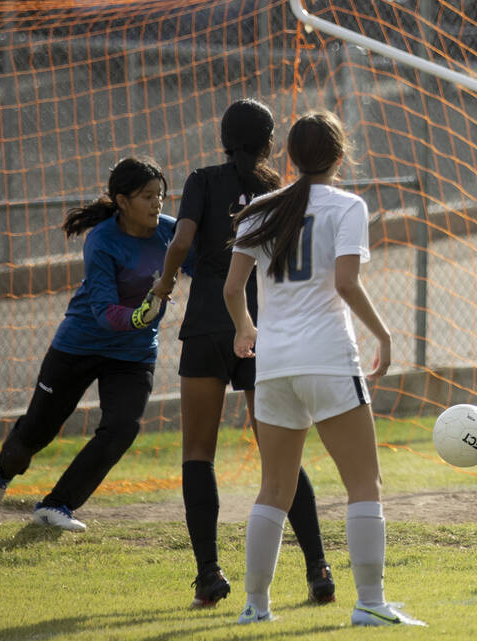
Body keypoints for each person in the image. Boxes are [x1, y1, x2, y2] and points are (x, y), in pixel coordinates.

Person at [224, 111, 425, 626]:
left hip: (273, 367)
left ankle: (255, 607)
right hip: (329, 361)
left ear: (290, 157)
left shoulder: (260, 209)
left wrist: (245, 328)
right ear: (340, 156)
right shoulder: (348, 206)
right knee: (364, 485)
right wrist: (382, 334)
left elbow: (231, 290)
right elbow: (346, 283)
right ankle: (371, 603)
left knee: (274, 489)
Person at [150, 99, 336, 608]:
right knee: (280, 454)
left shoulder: (201, 180)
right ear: (271, 143)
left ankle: (208, 574)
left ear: (222, 139)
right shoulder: (280, 191)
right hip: (262, 330)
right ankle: (317, 566)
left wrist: (164, 286)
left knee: (197, 453)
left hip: (208, 326)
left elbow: (182, 239)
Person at [0, 157, 173, 532]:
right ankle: (5, 470)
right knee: (38, 430)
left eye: (160, 195)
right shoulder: (101, 240)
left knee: (122, 428)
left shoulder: (171, 234)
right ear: (122, 200)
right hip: (80, 345)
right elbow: (103, 311)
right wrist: (137, 317)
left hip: (133, 355)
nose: (157, 203)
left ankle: (57, 505)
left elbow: (208, 261)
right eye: (147, 196)